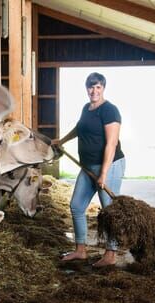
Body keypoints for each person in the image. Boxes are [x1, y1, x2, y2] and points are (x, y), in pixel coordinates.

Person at [51, 72, 125, 267]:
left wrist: (103, 174)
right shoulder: (87, 108)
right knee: (76, 206)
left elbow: (111, 144)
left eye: (98, 87)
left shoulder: (110, 111)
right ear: (86, 88)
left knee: (109, 210)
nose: (94, 91)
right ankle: (80, 250)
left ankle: (111, 253)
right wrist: (62, 141)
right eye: (91, 87)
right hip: (87, 166)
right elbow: (79, 128)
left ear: (103, 88)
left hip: (109, 165)